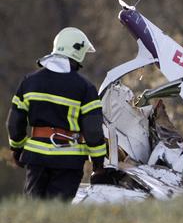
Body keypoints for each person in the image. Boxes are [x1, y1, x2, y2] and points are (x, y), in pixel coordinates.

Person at [6, 27, 107, 200]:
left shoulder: (29, 82)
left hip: (36, 159)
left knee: (33, 214)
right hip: (68, 163)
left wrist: (17, 149)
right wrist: (98, 163)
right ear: (77, 53)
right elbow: (93, 130)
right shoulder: (85, 88)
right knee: (56, 214)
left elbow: (14, 123)